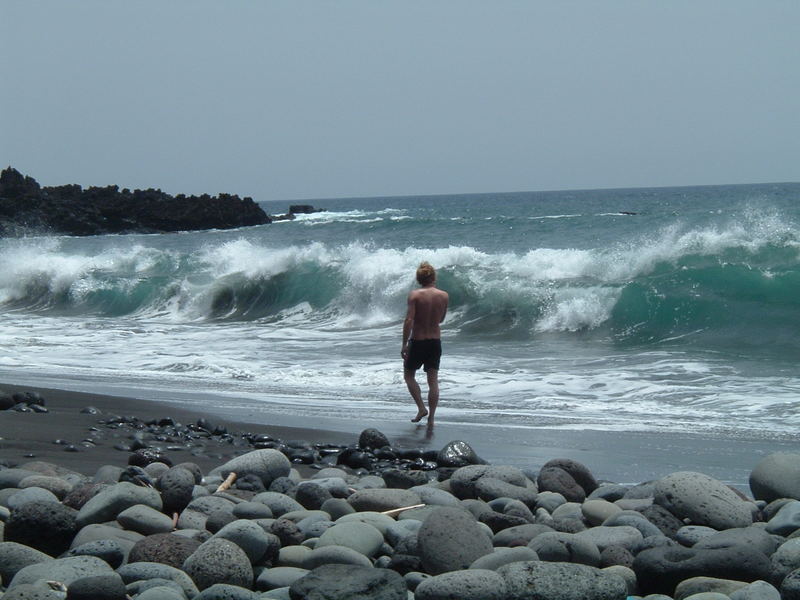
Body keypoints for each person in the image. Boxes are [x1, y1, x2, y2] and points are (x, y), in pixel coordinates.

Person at [401, 261, 448, 426]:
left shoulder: (415, 295)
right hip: (435, 342)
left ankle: (421, 408)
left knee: (409, 376)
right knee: (433, 381)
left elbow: (409, 320)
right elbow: (441, 319)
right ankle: (432, 418)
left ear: (419, 278)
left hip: (419, 341)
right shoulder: (444, 295)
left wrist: (405, 344)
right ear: (434, 276)